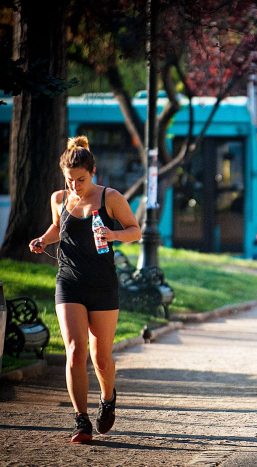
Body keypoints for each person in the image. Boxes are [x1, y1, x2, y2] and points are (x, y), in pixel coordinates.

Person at [28, 136, 141, 443]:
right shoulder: (59, 198)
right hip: (69, 281)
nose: (76, 186)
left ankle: (107, 398)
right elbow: (57, 227)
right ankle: (80, 420)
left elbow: (135, 231)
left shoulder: (110, 198)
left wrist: (112, 233)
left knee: (101, 356)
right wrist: (43, 239)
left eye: (81, 179)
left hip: (103, 284)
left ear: (93, 173)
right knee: (76, 351)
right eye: (70, 180)